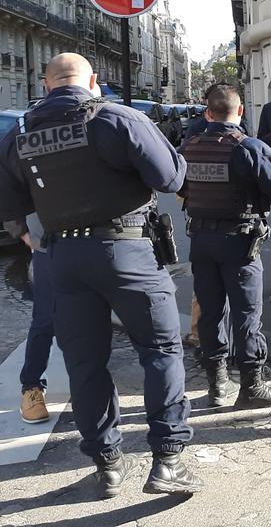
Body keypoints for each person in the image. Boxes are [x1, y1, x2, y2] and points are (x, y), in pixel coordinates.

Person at [0, 53, 201, 496]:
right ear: (92, 80)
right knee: (161, 350)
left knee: (84, 362)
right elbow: (170, 178)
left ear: (47, 84)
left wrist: (31, 240)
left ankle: (107, 464)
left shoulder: (21, 133)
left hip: (64, 260)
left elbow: (9, 205)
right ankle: (167, 459)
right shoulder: (116, 118)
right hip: (126, 251)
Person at [179, 85, 271, 409]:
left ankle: (217, 385)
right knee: (246, 314)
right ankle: (251, 386)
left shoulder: (190, 146)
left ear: (207, 113)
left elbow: (178, 186)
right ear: (240, 112)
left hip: (201, 241)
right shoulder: (248, 148)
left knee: (211, 312)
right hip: (239, 243)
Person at [14, 214, 53, 424]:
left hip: (96, 242)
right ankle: (31, 387)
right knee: (46, 319)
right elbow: (10, 191)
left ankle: (94, 388)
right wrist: (21, 230)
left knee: (93, 318)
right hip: (48, 245)